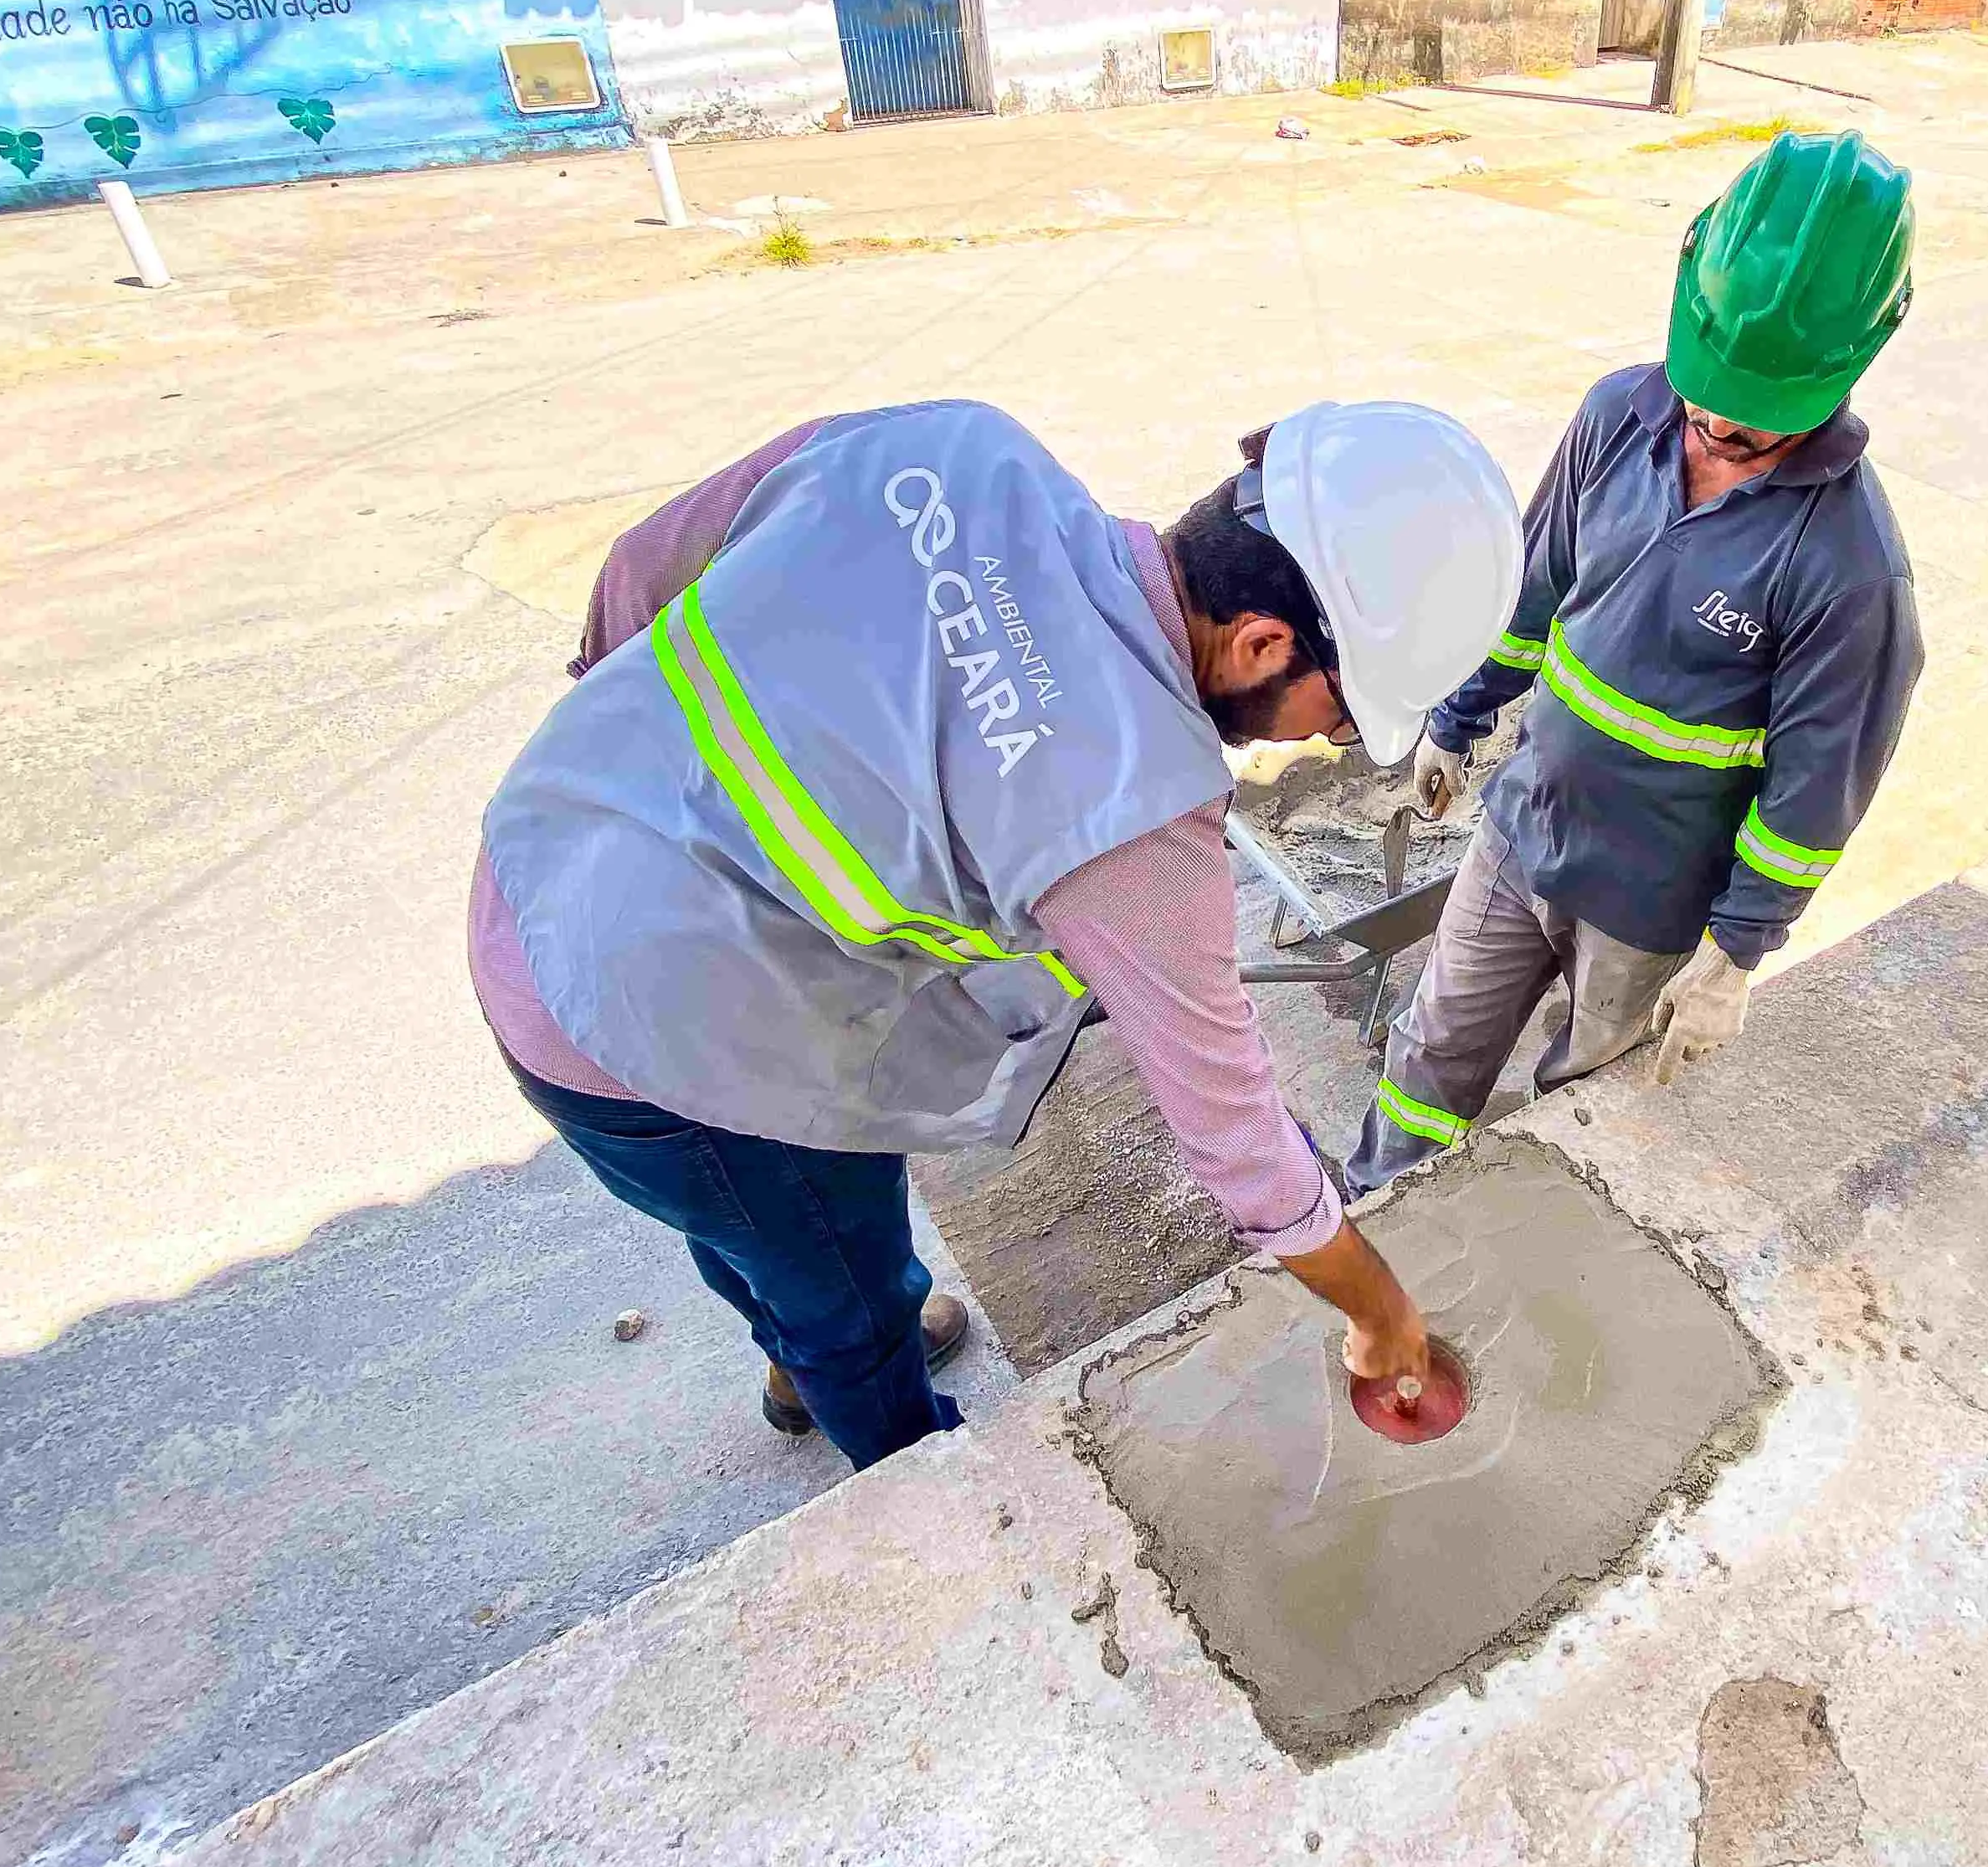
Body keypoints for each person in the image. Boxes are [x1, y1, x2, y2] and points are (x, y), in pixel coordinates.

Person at [469, 399, 1523, 1466]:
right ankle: (895, 1440)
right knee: (822, 1259)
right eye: (1340, 716)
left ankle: (804, 1337)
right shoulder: (1133, 813)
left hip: (537, 851)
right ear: (1262, 644)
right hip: (638, 1033)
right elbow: (1238, 1141)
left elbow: (642, 569)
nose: (1325, 745)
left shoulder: (955, 452)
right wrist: (1380, 1314)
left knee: (767, 1227)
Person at [1342, 130, 1924, 1193]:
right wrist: (1461, 716)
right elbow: (1535, 585)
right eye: (1700, 391)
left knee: (1586, 1117)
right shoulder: (1622, 412)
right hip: (1523, 832)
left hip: (1652, 907)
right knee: (1431, 1058)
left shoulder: (1851, 569)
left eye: (1746, 431)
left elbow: (1815, 792)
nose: (1705, 426)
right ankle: (1377, 1212)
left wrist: (1737, 952)